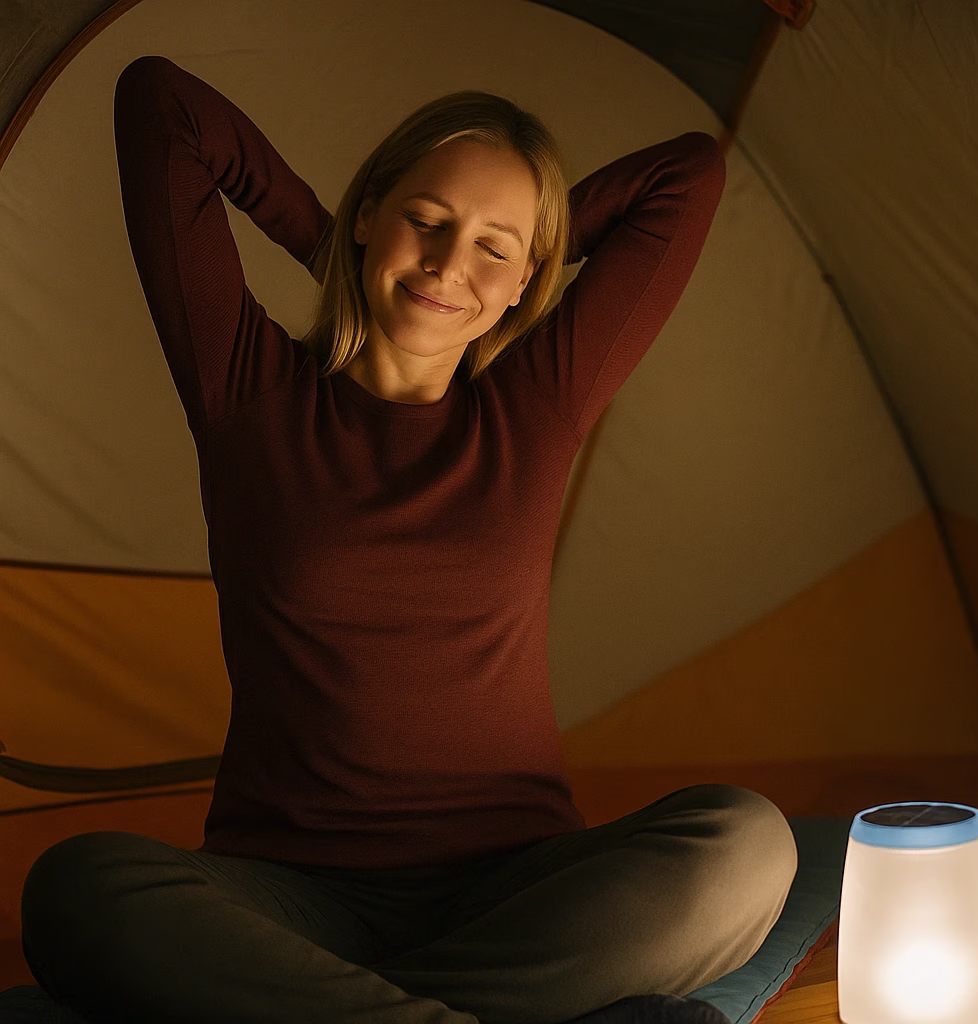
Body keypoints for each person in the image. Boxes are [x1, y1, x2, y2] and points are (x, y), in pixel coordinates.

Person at [14, 55, 796, 1024]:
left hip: (517, 887)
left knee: (747, 843)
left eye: (491, 248)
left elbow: (686, 174)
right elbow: (158, 102)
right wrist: (333, 246)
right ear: (373, 210)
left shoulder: (532, 405)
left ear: (529, 281)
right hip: (291, 898)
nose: (444, 264)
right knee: (77, 889)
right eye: (426, 222)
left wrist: (520, 261)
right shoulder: (248, 387)